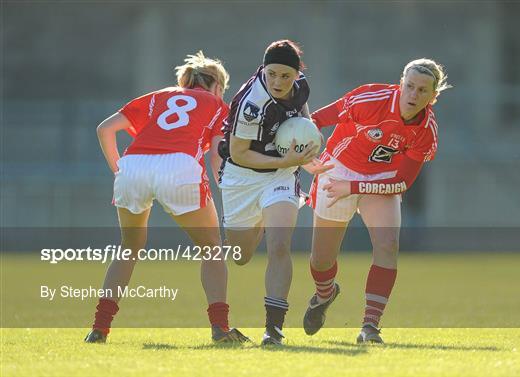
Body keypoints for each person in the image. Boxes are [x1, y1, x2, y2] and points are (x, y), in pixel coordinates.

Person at [85, 51, 249, 344]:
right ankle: (220, 329)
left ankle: (99, 328)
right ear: (216, 86)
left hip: (134, 165)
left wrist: (119, 170)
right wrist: (229, 191)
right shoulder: (218, 105)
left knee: (129, 248)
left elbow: (105, 129)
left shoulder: (158, 96)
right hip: (180, 166)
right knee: (212, 248)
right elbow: (215, 154)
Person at [302, 58, 451, 343]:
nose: (413, 95)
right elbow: (315, 121)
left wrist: (355, 187)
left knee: (388, 245)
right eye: (409, 87)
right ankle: (325, 294)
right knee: (321, 260)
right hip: (338, 170)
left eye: (422, 91)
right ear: (401, 84)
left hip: (381, 180)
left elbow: (402, 182)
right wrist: (307, 156)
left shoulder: (426, 131)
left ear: (434, 96)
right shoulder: (370, 98)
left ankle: (370, 326)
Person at [218, 40, 331, 346]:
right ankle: (260, 219)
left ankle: (273, 329)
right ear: (263, 70)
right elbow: (240, 153)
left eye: (286, 75)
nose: (278, 82)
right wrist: (287, 159)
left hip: (281, 175)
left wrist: (305, 153)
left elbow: (300, 116)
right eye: (272, 74)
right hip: (242, 176)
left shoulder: (300, 86)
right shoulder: (251, 103)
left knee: (279, 244)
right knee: (240, 256)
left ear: (297, 74)